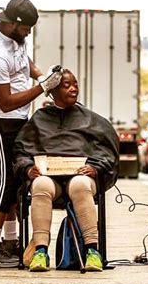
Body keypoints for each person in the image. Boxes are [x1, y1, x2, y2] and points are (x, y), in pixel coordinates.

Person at [0, 0, 62, 268]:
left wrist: (41, 75)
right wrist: (43, 87)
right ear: (12, 24)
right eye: (26, 29)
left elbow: (24, 60)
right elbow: (6, 102)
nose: (29, 34)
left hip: (18, 117)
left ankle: (10, 242)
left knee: (15, 179)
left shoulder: (15, 36)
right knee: (4, 182)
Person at [13, 69, 119, 272]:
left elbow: (108, 152)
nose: (73, 89)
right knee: (40, 184)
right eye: (66, 85)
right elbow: (20, 152)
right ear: (52, 91)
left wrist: (95, 168)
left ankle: (92, 252)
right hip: (50, 179)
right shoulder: (39, 119)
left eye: (75, 84)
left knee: (79, 185)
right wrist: (28, 169)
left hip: (80, 177)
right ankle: (40, 252)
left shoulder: (91, 120)